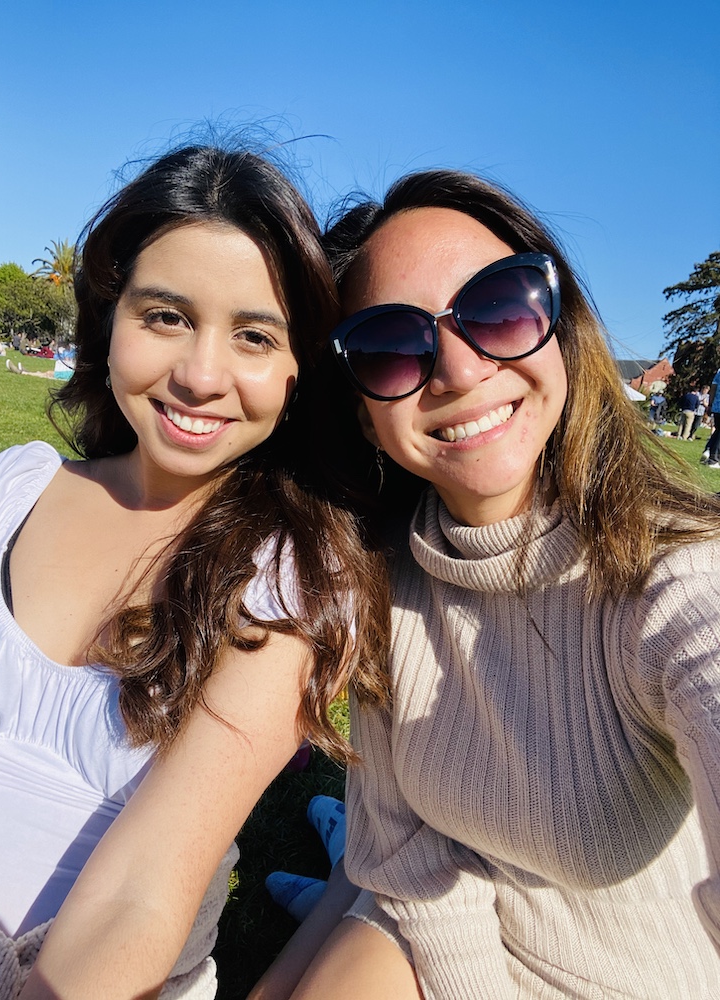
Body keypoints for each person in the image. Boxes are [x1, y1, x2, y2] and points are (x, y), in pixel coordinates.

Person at [264, 169, 720, 999]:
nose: (460, 370)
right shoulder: (383, 576)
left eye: (499, 305)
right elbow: (410, 857)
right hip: (448, 919)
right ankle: (336, 867)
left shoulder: (679, 579)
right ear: (363, 408)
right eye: (392, 345)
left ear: (561, 327)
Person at [0, 144, 390, 1000]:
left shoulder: (289, 580)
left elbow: (143, 894)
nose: (200, 376)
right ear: (110, 316)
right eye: (165, 316)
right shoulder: (15, 488)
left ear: (298, 369)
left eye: (253, 336)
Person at [704, 368, 720, 468]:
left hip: (717, 406)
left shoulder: (719, 372)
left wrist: (710, 404)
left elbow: (713, 388)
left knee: (718, 430)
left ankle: (708, 450)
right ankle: (714, 459)